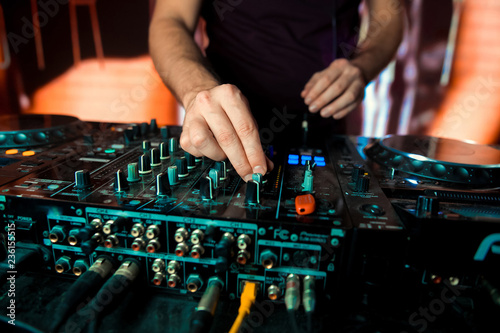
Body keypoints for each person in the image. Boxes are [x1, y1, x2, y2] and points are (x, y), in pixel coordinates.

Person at [149, 0, 404, 181]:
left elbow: (390, 13)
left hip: (322, 134)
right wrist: (198, 91)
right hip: (224, 133)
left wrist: (363, 66)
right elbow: (172, 19)